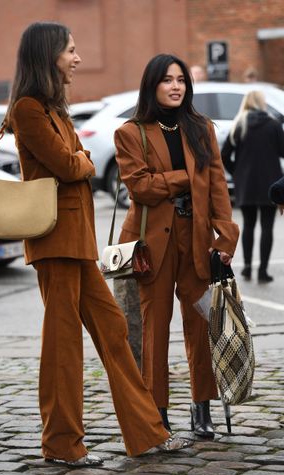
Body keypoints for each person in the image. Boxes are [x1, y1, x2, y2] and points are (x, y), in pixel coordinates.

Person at [5, 23, 191, 468]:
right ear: (48, 55)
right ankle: (62, 445)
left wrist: (81, 162)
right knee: (63, 346)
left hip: (78, 243)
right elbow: (70, 166)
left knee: (113, 334)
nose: (78, 58)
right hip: (53, 244)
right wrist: (83, 162)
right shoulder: (28, 108)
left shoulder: (55, 109)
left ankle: (147, 432)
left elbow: (77, 162)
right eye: (70, 50)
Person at [114, 53, 239, 438]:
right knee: (154, 329)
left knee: (201, 326)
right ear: (152, 85)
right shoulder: (131, 132)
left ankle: (202, 410)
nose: (175, 86)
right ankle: (157, 413)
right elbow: (141, 187)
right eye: (167, 80)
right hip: (151, 244)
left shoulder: (202, 129)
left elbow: (217, 185)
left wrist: (225, 236)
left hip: (197, 238)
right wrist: (185, 177)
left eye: (181, 79)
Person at [221, 91, 284, 283]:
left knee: (248, 225)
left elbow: (224, 155)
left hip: (246, 182)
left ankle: (247, 268)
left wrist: (236, 173)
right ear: (262, 103)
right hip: (270, 183)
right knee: (267, 226)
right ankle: (263, 271)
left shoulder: (240, 125)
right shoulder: (274, 125)